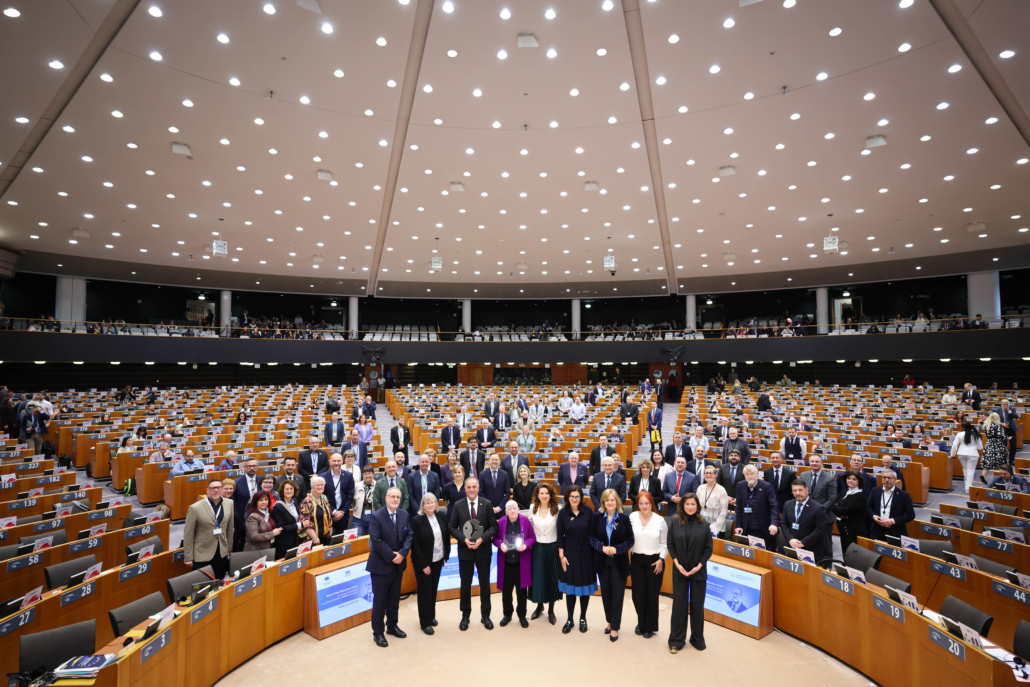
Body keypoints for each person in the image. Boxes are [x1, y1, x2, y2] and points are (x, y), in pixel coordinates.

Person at [449, 477, 498, 630]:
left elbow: (493, 527)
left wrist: (482, 539)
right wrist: (463, 539)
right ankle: (465, 616)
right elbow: (451, 527)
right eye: (468, 487)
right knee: (465, 585)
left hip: (483, 551)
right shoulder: (458, 505)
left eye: (474, 487)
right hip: (465, 552)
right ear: (465, 488)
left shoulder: (487, 504)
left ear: (478, 487)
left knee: (485, 585)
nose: (471, 489)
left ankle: (486, 616)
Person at [366, 487, 413, 647]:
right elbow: (376, 540)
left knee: (394, 599)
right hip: (380, 566)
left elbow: (409, 535)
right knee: (379, 602)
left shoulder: (404, 514)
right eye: (392, 496)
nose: (395, 499)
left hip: (398, 566)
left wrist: (402, 554)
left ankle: (392, 626)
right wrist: (394, 556)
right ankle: (377, 633)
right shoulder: (376, 516)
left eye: (398, 497)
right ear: (386, 498)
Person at [667, 493, 712, 653]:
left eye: (693, 504)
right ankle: (676, 640)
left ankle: (697, 638)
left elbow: (708, 549)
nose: (690, 507)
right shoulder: (674, 522)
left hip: (698, 571)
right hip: (680, 570)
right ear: (682, 506)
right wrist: (677, 563)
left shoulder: (705, 525)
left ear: (697, 506)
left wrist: (699, 566)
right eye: (687, 504)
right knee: (679, 606)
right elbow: (670, 544)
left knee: (697, 606)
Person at [590, 488, 634, 642]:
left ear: (617, 502)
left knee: (617, 595)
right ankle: (610, 621)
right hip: (602, 561)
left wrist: (617, 549)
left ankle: (615, 627)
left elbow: (630, 540)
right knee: (606, 595)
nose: (610, 503)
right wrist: (601, 547)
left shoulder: (624, 519)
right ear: (603, 502)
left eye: (612, 500)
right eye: (607, 500)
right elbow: (591, 537)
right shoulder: (597, 518)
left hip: (618, 562)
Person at [410, 493, 451, 635]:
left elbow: (445, 538)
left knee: (433, 590)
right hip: (424, 563)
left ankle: (431, 615)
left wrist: (445, 555)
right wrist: (423, 565)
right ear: (423, 505)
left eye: (433, 502)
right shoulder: (417, 520)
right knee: (424, 592)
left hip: (438, 560)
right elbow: (414, 545)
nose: (430, 505)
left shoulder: (441, 516)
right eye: (427, 503)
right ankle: (425, 622)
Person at [557, 485, 595, 634]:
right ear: (567, 498)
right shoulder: (563, 513)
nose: (574, 499)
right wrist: (562, 556)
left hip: (586, 554)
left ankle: (583, 618)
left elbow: (593, 534)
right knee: (571, 589)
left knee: (584, 589)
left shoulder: (589, 512)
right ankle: (570, 619)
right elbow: (560, 536)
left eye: (577, 496)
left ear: (581, 497)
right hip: (569, 555)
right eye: (572, 496)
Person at [629, 491, 668, 638]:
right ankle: (641, 622)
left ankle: (649, 627)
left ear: (652, 503)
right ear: (637, 504)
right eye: (641, 503)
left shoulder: (660, 520)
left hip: (654, 561)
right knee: (638, 595)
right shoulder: (632, 517)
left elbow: (665, 544)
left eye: (647, 503)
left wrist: (661, 559)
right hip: (637, 560)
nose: (644, 506)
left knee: (651, 595)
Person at [494, 500, 536, 628]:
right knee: (506, 592)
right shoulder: (501, 522)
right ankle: (507, 614)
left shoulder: (525, 521)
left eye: (514, 508)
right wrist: (500, 544)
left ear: (518, 510)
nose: (512, 510)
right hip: (506, 563)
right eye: (509, 509)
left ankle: (522, 615)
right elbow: (495, 539)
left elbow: (532, 538)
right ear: (505, 512)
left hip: (521, 562)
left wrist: (525, 545)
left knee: (521, 591)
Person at [183, 478, 234, 579]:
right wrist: (188, 557)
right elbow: (188, 534)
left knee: (219, 582)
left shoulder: (229, 503)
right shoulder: (195, 508)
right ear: (207, 490)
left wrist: (228, 548)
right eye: (213, 488)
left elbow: (230, 528)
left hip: (221, 552)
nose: (216, 490)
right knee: (203, 586)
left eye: (218, 488)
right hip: (202, 553)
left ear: (222, 489)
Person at [527, 483, 561, 624]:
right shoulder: (532, 508)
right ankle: (539, 606)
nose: (544, 496)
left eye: (547, 493)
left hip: (553, 547)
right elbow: (529, 528)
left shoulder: (558, 509)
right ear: (537, 495)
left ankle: (551, 610)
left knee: (552, 577)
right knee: (538, 578)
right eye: (541, 493)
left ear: (551, 494)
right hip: (537, 547)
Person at [783, 479, 830, 565]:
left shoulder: (818, 508)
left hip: (810, 550)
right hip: (792, 547)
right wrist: (790, 539)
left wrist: (802, 543)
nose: (797, 493)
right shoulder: (788, 504)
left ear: (807, 490)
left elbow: (820, 530)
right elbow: (784, 524)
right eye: (794, 490)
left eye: (800, 490)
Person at [734, 465, 780, 551]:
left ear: (758, 475)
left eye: (752, 474)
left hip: (762, 530)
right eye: (747, 474)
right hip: (746, 529)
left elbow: (774, 507)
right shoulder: (740, 485)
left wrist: (774, 523)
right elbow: (739, 508)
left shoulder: (766, 486)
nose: (750, 476)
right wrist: (739, 525)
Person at [867, 470, 915, 541]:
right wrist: (873, 516)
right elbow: (868, 506)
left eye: (889, 478)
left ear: (895, 479)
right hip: (877, 530)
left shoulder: (903, 495)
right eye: (884, 477)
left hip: (895, 531)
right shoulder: (875, 490)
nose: (886, 480)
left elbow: (910, 515)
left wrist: (893, 521)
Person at [272, 479, 313, 559]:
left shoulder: (295, 501)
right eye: (286, 489)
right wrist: (300, 525)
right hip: (283, 543)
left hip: (295, 539)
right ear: (282, 491)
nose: (289, 491)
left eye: (291, 489)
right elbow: (281, 528)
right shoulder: (278, 506)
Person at [833, 470, 869, 556]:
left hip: (854, 531)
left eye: (854, 479)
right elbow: (832, 506)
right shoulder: (843, 492)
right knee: (845, 553)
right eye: (848, 478)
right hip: (843, 530)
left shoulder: (859, 496)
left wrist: (837, 508)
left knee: (853, 556)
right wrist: (839, 511)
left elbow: (845, 511)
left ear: (859, 481)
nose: (850, 480)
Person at [319, 453, 355, 534]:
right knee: (327, 540)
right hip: (327, 514)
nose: (336, 463)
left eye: (338, 461)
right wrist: (334, 512)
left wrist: (341, 512)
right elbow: (321, 496)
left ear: (342, 461)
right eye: (334, 461)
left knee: (341, 540)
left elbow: (350, 496)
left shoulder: (348, 476)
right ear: (330, 462)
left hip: (343, 514)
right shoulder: (323, 476)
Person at [299, 475, 333, 546]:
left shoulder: (324, 498)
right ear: (312, 487)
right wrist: (314, 538)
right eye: (317, 485)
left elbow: (329, 516)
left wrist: (330, 529)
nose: (320, 487)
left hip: (325, 537)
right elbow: (305, 523)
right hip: (312, 540)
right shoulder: (307, 501)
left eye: (322, 485)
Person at [950, 422, 983, 494]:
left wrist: (953, 454)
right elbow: (980, 448)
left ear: (963, 427)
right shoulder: (976, 434)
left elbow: (954, 446)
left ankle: (967, 486)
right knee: (971, 471)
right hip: (973, 454)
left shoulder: (959, 434)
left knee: (965, 470)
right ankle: (968, 488)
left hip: (961, 453)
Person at [695, 466, 728, 536]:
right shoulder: (700, 488)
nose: (708, 475)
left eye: (711, 473)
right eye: (706, 473)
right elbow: (696, 507)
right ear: (704, 475)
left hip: (716, 527)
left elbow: (723, 512)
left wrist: (715, 526)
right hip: (701, 524)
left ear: (716, 475)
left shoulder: (721, 490)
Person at [982, 413, 1008, 483]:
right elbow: (1000, 435)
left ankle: (983, 475)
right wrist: (1007, 437)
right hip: (997, 443)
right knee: (1001, 460)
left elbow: (986, 434)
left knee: (988, 460)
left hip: (989, 443)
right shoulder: (998, 425)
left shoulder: (986, 425)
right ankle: (1002, 478)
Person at [352, 466, 377, 536]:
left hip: (373, 517)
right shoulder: (356, 486)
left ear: (373, 474)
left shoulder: (378, 485)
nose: (367, 475)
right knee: (357, 541)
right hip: (358, 518)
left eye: (370, 473)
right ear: (362, 475)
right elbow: (353, 502)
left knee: (372, 541)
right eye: (365, 474)